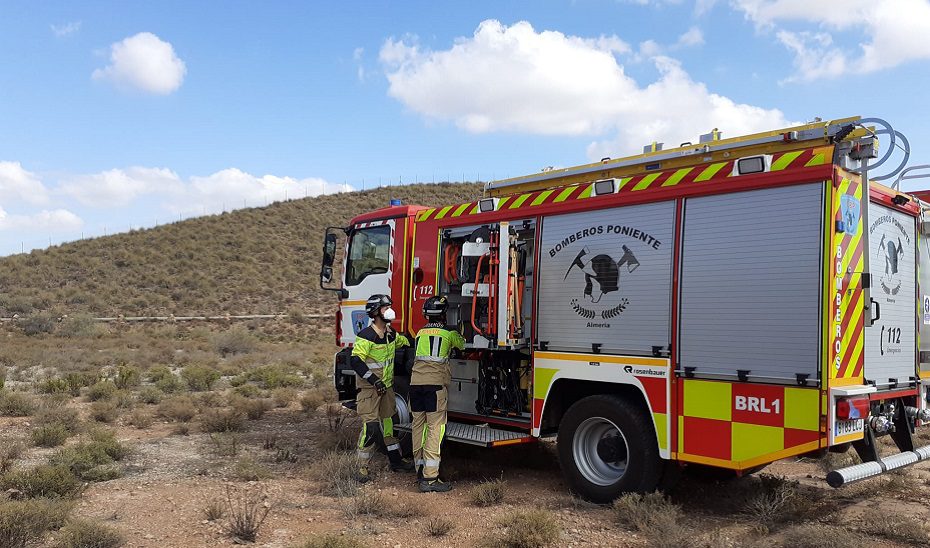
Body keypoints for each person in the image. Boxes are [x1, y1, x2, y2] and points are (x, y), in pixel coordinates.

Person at [350, 294, 414, 483]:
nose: (390, 311)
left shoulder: (391, 335)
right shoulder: (366, 336)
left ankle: (396, 461)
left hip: (387, 389)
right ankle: (361, 468)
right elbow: (356, 361)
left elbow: (406, 342)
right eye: (386, 308)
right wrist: (374, 380)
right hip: (370, 390)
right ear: (376, 312)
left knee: (390, 425)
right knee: (370, 428)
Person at [410, 295, 465, 493]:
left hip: (415, 385)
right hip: (434, 387)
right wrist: (460, 330)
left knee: (418, 426)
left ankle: (419, 469)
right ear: (444, 314)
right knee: (435, 428)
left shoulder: (419, 333)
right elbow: (462, 344)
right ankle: (430, 478)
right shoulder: (448, 333)